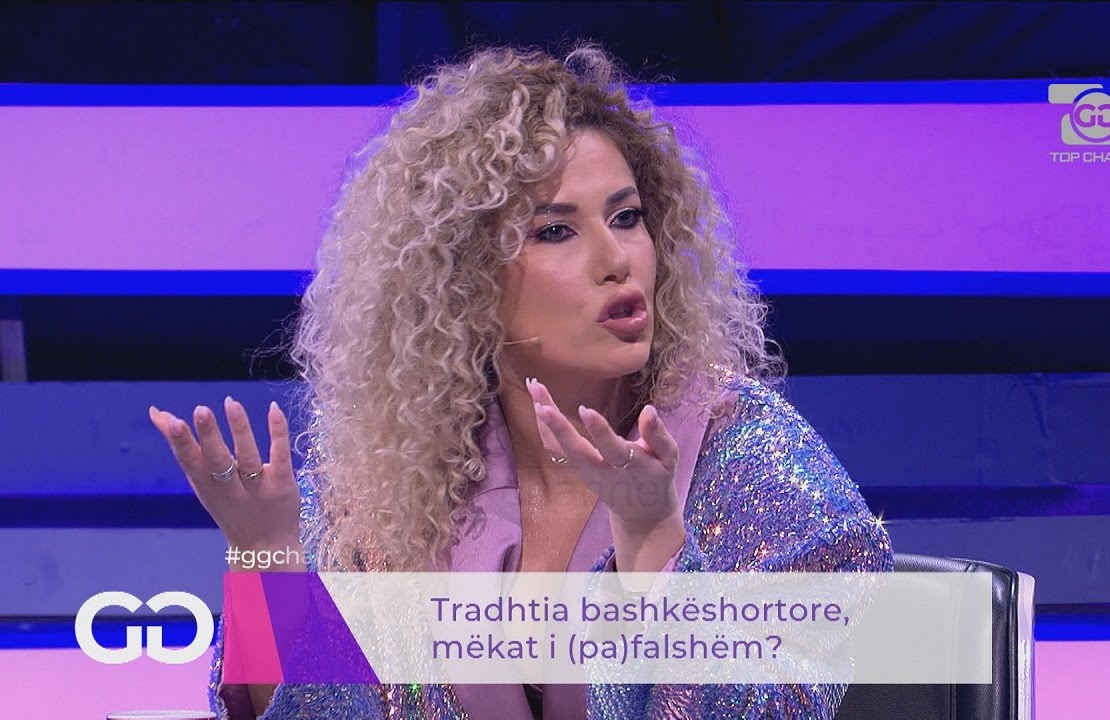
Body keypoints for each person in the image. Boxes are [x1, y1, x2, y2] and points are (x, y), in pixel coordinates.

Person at [148, 44, 892, 719]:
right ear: (464, 281)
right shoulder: (392, 481)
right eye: (556, 231)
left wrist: (655, 547)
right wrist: (267, 556)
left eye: (627, 217)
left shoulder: (747, 454)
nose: (617, 260)